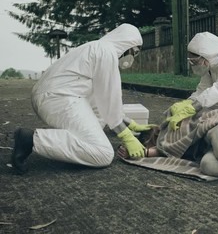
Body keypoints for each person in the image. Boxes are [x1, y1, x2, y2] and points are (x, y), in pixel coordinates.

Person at [11, 23, 151, 174]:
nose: (133, 58)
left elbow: (103, 101)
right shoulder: (107, 52)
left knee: (98, 110)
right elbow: (111, 98)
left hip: (54, 96)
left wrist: (131, 124)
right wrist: (127, 137)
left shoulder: (97, 48)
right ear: (127, 44)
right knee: (103, 154)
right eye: (134, 53)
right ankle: (30, 139)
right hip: (58, 98)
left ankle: (85, 141)